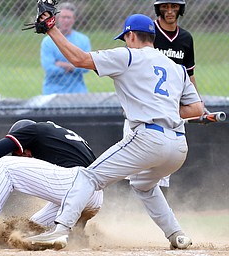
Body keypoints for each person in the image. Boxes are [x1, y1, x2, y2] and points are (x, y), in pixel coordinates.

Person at [27, 13, 203, 250]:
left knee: (87, 177)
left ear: (131, 35)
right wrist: (168, 110)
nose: (125, 41)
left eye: (125, 37)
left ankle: (60, 230)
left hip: (148, 138)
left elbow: (79, 59)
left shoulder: (128, 56)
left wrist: (51, 29)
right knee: (144, 184)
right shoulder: (177, 68)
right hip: (178, 146)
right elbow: (196, 108)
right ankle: (177, 235)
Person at [124, 0, 202, 194]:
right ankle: (128, 213)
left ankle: (154, 218)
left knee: (161, 174)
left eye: (174, 7)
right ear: (158, 9)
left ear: (180, 9)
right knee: (132, 166)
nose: (169, 11)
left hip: (171, 111)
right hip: (143, 111)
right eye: (165, 7)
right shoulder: (149, 33)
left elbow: (189, 76)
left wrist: (196, 103)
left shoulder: (185, 38)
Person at [41, 2, 91, 95]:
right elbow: (49, 68)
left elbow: (87, 67)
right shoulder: (47, 41)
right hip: (53, 91)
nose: (66, 20)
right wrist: (75, 64)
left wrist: (62, 65)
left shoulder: (83, 40)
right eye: (63, 17)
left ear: (74, 19)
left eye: (69, 17)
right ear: (57, 19)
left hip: (78, 91)